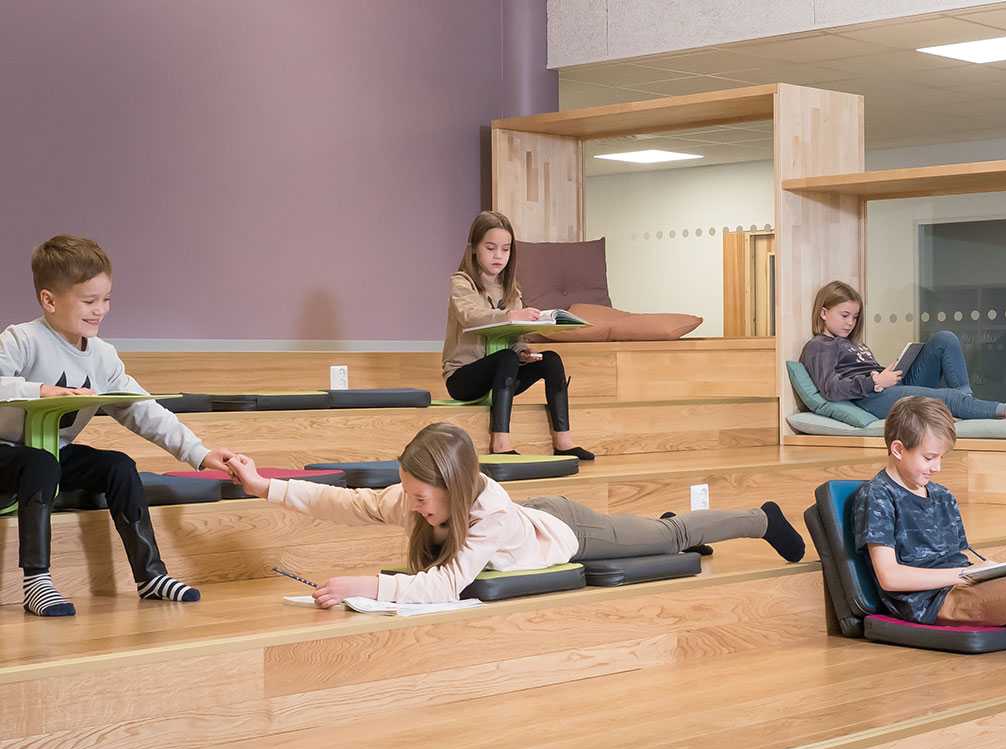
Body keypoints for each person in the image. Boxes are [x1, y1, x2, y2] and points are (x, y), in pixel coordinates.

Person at [225, 422, 806, 607]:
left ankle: (761, 518)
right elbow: (344, 501)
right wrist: (263, 485)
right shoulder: (419, 498)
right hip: (539, 525)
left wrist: (367, 586)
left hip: (567, 532)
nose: (412, 504)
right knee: (660, 539)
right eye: (409, 493)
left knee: (669, 533)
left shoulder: (490, 516)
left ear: (453, 488)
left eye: (422, 496)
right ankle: (664, 533)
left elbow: (447, 584)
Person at [0, 235, 235, 616]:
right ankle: (36, 581)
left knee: (119, 466)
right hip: (7, 458)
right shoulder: (21, 340)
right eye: (89, 301)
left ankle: (150, 575)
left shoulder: (103, 357)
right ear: (49, 300)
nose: (101, 310)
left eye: (106, 299)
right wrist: (39, 389)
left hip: (51, 455)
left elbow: (144, 411)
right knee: (40, 464)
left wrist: (201, 453)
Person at [853, 396, 1006, 636]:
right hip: (933, 602)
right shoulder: (877, 496)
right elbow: (890, 577)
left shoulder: (942, 495)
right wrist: (962, 575)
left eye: (941, 457)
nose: (937, 467)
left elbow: (958, 557)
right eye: (929, 458)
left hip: (965, 585)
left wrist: (988, 571)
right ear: (898, 449)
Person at [443, 210, 594, 460]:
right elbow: (470, 316)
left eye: (505, 249)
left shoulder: (511, 290)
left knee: (551, 359)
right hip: (464, 378)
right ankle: (500, 441)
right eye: (491, 248)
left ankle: (563, 441)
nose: (498, 256)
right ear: (473, 248)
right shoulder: (461, 282)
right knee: (506, 359)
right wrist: (509, 317)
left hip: (503, 374)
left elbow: (515, 336)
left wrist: (523, 351)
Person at [800, 280, 1006, 423]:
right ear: (823, 313)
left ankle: (965, 401)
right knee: (945, 396)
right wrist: (875, 381)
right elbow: (830, 389)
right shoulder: (819, 346)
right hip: (871, 399)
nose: (850, 322)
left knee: (944, 339)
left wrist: (886, 370)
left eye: (855, 317)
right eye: (844, 315)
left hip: (886, 386)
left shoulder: (852, 343)